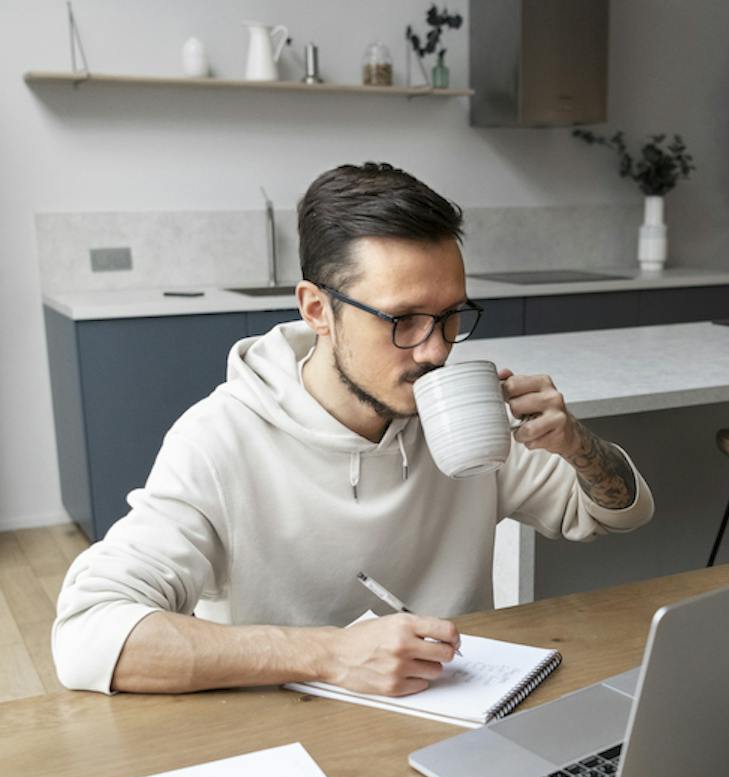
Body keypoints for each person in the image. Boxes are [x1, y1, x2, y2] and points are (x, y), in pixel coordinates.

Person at [53, 163, 654, 697]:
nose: (435, 350)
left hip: (462, 713)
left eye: (450, 316)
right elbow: (88, 633)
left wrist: (578, 446)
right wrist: (329, 654)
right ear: (317, 310)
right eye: (403, 320)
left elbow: (616, 514)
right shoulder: (219, 439)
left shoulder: (460, 417)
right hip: (283, 737)